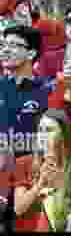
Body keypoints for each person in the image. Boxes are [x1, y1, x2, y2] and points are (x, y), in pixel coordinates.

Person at [0, 26, 51, 158]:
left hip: (32, 168)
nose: (5, 50)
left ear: (31, 53)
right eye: (3, 45)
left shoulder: (47, 90)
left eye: (13, 45)